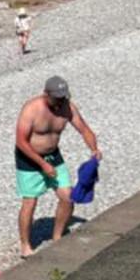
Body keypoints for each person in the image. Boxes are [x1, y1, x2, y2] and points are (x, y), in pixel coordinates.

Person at [15, 75, 100, 255]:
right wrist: (42, 164)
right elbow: (21, 141)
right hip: (29, 158)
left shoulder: (67, 108)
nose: (60, 101)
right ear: (46, 94)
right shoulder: (31, 109)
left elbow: (85, 130)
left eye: (63, 97)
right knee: (30, 201)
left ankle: (57, 237)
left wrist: (94, 150)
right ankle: (25, 245)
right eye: (57, 97)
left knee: (67, 197)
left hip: (53, 155)